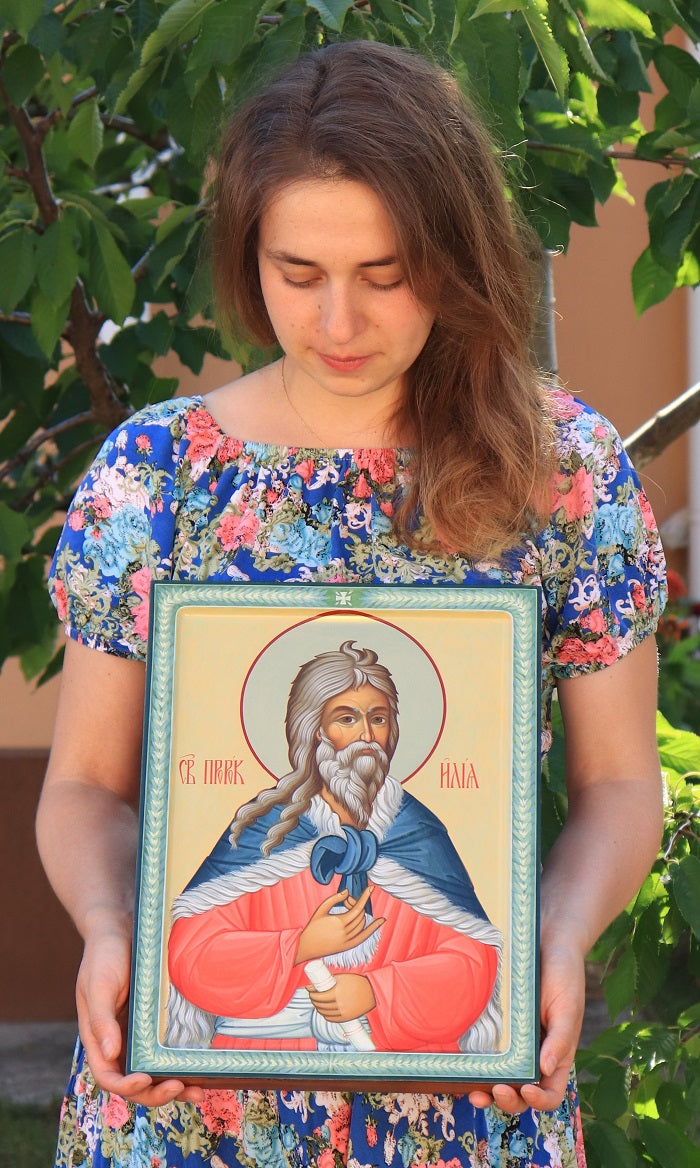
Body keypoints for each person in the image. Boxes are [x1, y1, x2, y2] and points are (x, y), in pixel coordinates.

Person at [38, 38, 665, 1168]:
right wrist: (113, 927)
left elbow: (621, 782)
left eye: (385, 275)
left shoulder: (559, 471)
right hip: (188, 1112)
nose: (337, 323)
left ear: (455, 255)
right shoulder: (157, 477)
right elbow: (84, 787)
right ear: (245, 256)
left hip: (463, 1119)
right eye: (297, 273)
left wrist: (552, 935)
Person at [165, 640, 502, 1055]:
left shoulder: (418, 835)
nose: (367, 736)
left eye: (378, 719)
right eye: (347, 718)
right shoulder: (261, 833)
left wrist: (376, 990)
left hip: (405, 1070)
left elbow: (472, 965)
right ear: (313, 731)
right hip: (262, 1065)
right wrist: (299, 946)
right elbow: (191, 954)